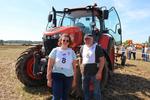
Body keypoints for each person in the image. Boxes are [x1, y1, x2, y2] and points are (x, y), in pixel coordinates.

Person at [47, 34, 77, 100]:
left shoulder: (72, 52)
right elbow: (50, 65)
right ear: (60, 41)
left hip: (69, 77)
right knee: (56, 96)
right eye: (64, 40)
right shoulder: (55, 50)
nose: (65, 42)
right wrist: (49, 78)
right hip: (57, 75)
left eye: (67, 40)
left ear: (69, 42)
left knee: (65, 96)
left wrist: (74, 80)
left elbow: (74, 67)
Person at [79, 34, 105, 100]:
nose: (87, 40)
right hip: (85, 74)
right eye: (85, 39)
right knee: (85, 90)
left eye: (89, 39)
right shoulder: (82, 48)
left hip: (95, 74)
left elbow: (102, 60)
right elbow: (80, 58)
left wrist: (99, 72)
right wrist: (81, 67)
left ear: (92, 39)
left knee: (96, 92)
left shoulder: (97, 47)